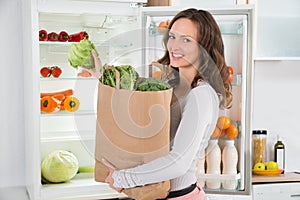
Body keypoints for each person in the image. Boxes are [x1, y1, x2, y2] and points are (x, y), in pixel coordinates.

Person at [89, 8, 232, 200]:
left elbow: (179, 162)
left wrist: (123, 178)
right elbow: (131, 104)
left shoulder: (201, 96)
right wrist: (99, 75)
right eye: (172, 36)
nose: (174, 46)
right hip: (155, 194)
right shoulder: (173, 86)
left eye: (186, 40)